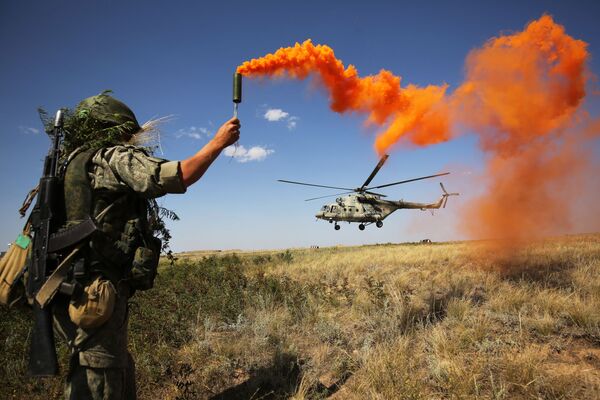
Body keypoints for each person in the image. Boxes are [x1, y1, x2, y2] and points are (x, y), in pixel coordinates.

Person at [48, 92, 240, 399]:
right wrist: (218, 142)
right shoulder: (111, 158)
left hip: (64, 287)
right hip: (96, 291)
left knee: (106, 366)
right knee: (102, 377)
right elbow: (180, 175)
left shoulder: (69, 166)